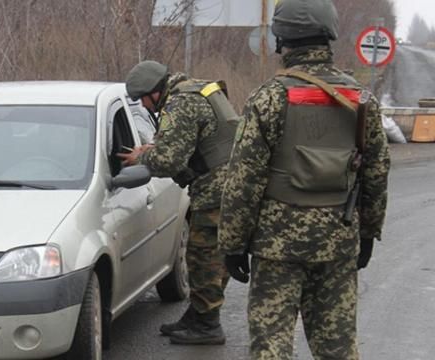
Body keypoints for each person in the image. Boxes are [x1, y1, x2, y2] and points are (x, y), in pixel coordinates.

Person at [218, 0, 390, 359]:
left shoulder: (268, 99)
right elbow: (376, 173)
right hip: (338, 243)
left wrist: (233, 243)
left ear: (283, 39)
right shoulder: (362, 100)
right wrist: (368, 232)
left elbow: (243, 180)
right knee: (338, 347)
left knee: (271, 344)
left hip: (277, 248)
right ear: (329, 35)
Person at [118, 60, 239, 345]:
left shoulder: (181, 103)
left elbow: (168, 161)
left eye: (144, 101)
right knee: (213, 256)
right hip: (232, 184)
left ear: (154, 92)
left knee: (203, 257)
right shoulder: (196, 89)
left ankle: (208, 325)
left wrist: (142, 157)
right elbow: (195, 140)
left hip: (216, 190)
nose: (146, 108)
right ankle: (199, 316)